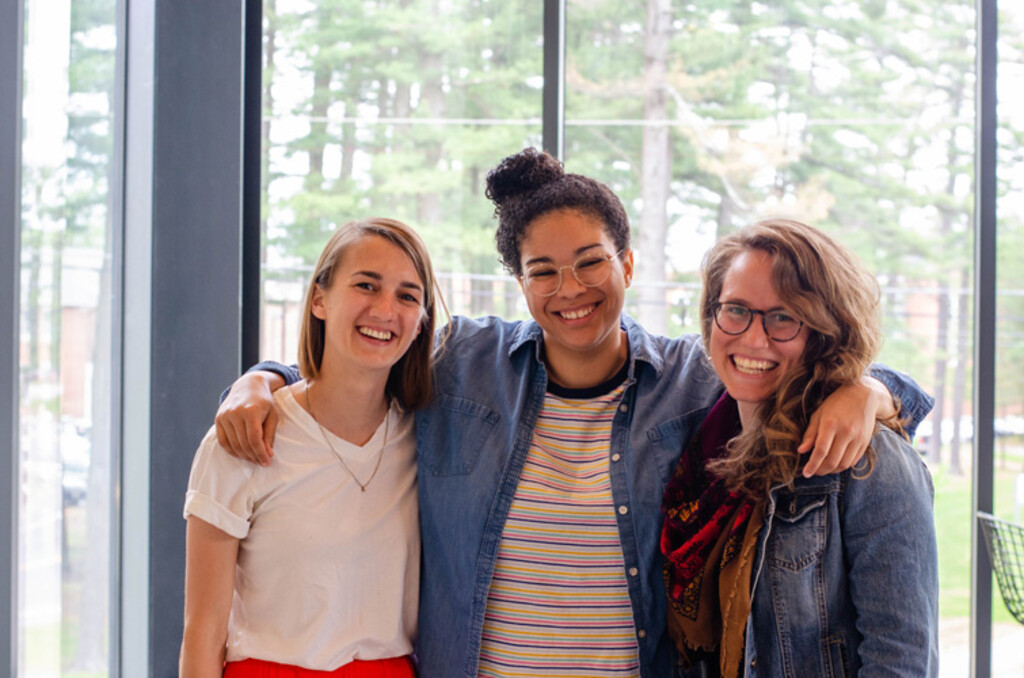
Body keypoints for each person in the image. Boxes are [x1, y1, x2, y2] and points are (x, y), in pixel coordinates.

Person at [215, 149, 932, 678]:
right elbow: (361, 355)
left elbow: (784, 362)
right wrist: (260, 379)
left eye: (590, 262)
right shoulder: (464, 362)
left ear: (626, 263)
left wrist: (872, 389)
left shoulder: (691, 378)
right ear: (518, 282)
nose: (571, 289)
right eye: (543, 271)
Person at [660, 219, 938, 677]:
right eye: (736, 310)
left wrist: (869, 388)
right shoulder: (700, 440)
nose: (753, 338)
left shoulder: (870, 462)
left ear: (825, 333)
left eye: (783, 318)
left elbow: (901, 660)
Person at [179, 217, 444, 678]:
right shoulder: (245, 436)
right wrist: (260, 380)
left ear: (421, 322)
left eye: (407, 295)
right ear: (319, 299)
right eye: (366, 285)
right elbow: (202, 632)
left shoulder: (430, 438)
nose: (385, 309)